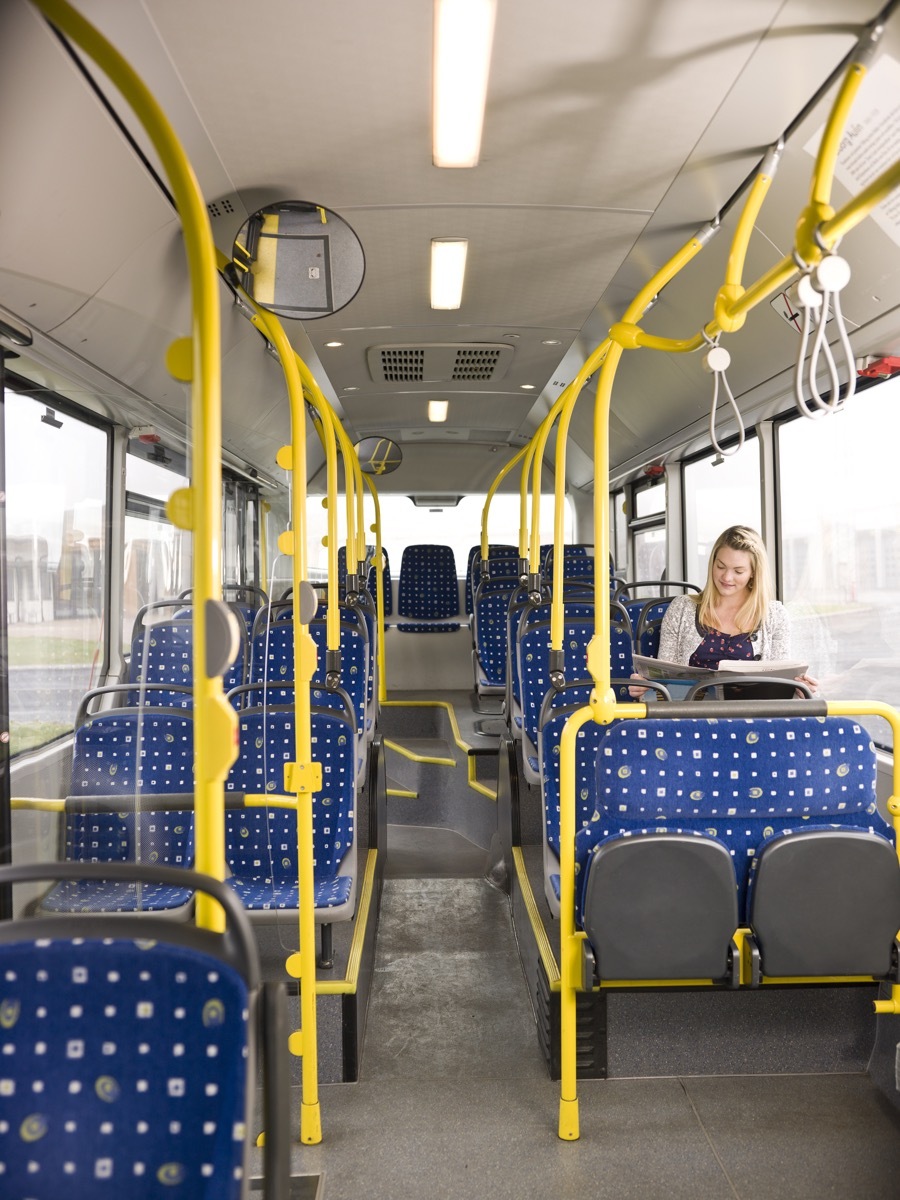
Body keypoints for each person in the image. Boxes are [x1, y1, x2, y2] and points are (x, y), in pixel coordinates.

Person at [630, 525, 817, 697]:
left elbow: (779, 682)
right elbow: (665, 679)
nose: (727, 577)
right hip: (689, 714)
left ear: (753, 572)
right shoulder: (681, 609)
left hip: (753, 716)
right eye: (720, 567)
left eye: (738, 571)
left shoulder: (774, 616)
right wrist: (646, 686)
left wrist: (799, 688)